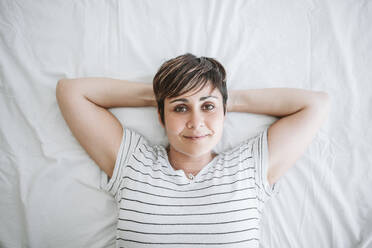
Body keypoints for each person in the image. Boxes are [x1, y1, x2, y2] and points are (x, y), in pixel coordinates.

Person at [56, 53, 330, 247]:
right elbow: (71, 91)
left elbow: (315, 104)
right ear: (161, 117)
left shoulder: (250, 167)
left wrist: (222, 98)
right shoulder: (133, 162)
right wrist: (163, 94)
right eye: (180, 108)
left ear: (224, 113)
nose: (196, 122)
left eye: (208, 107)